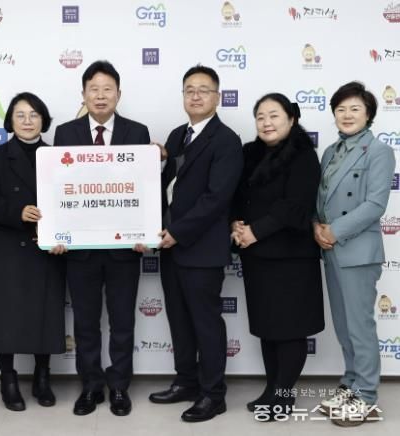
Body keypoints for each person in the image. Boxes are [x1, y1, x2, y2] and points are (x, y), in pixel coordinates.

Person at [53, 60, 150, 417]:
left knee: (123, 322)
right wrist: (57, 233)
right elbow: (57, 188)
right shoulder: (65, 133)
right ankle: (91, 385)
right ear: (83, 94)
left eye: (107, 89)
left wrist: (144, 232)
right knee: (85, 324)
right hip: (81, 250)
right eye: (93, 89)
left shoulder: (137, 132)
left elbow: (144, 188)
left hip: (125, 248)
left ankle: (119, 386)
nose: (100, 95)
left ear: (118, 94)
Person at [149, 65, 243, 422]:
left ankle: (213, 394)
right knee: (179, 320)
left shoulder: (226, 140)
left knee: (206, 323)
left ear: (217, 97)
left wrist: (178, 232)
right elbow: (165, 189)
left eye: (204, 90)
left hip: (201, 248)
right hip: (171, 247)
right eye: (189, 90)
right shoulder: (177, 136)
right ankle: (186, 381)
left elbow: (216, 198)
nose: (196, 95)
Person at [230, 93, 324, 419]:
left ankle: (283, 396)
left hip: (291, 258)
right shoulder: (250, 153)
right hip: (257, 257)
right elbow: (237, 196)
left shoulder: (303, 155)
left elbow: (294, 206)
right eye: (260, 117)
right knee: (268, 327)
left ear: (291, 119)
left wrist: (255, 231)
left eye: (274, 115)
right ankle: (271, 390)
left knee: (290, 330)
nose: (266, 122)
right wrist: (236, 223)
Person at [0, 92, 67, 411]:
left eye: (34, 115)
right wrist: (18, 212)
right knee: (6, 317)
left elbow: (71, 200)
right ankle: (8, 379)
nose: (28, 121)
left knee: (45, 314)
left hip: (46, 248)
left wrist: (64, 233)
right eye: (20, 115)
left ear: (44, 120)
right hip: (8, 246)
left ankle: (43, 377)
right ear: (10, 121)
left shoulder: (57, 156)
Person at [314, 81, 395, 426]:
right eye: (341, 109)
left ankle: (367, 397)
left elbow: (375, 204)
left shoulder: (378, 151)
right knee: (344, 326)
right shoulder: (330, 152)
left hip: (358, 251)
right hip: (331, 249)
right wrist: (316, 226)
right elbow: (319, 198)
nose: (347, 115)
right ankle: (350, 384)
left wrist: (334, 231)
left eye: (355, 109)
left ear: (369, 114)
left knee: (359, 326)